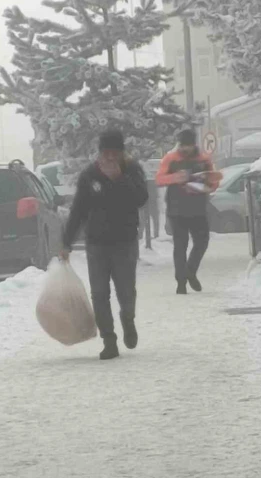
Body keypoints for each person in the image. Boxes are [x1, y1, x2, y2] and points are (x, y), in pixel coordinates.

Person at [61, 130, 149, 360]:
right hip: (97, 244)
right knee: (99, 294)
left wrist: (119, 178)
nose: (109, 158)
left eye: (114, 154)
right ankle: (109, 340)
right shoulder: (89, 175)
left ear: (122, 154)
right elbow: (78, 210)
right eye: (105, 153)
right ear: (99, 153)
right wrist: (66, 241)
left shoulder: (132, 171)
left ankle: (128, 321)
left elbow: (141, 198)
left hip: (125, 242)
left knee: (126, 291)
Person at [156, 129, 222, 294]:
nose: (186, 149)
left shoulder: (204, 159)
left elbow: (213, 182)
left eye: (189, 146)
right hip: (176, 209)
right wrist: (174, 178)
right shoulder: (170, 159)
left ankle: (190, 271)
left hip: (198, 208)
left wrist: (210, 183)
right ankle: (181, 282)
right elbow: (159, 179)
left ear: (194, 144)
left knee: (202, 242)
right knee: (180, 246)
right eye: (183, 146)